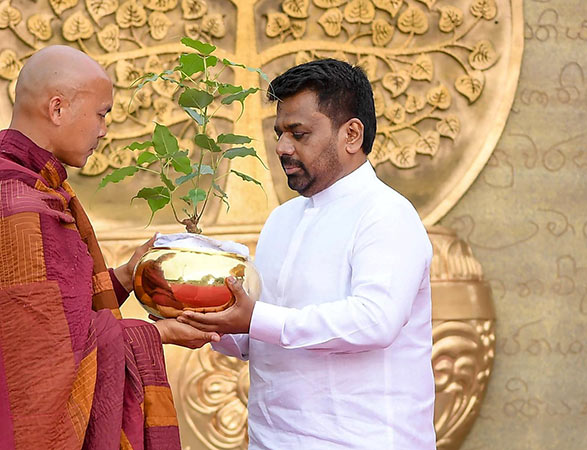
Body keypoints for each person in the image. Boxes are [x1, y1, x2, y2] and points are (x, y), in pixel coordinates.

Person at [0, 45, 218, 450]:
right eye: (101, 113)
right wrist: (156, 336)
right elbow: (42, 359)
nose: (103, 130)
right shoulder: (18, 206)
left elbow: (46, 319)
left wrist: (124, 276)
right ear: (57, 109)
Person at [178, 59, 436, 449]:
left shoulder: (385, 214)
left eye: (299, 133)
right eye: (279, 132)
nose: (282, 147)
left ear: (351, 134)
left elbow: (376, 321)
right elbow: (262, 334)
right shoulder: (282, 220)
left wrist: (257, 318)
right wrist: (204, 319)